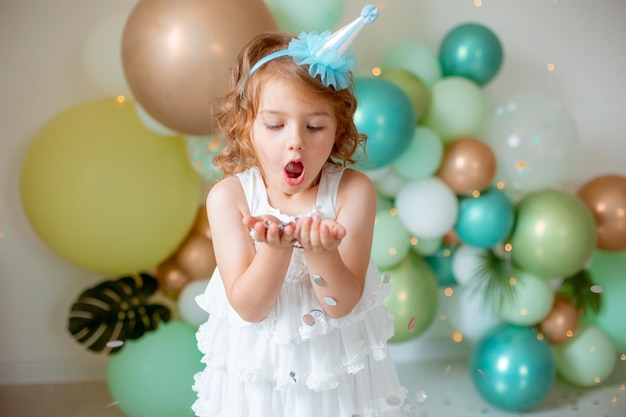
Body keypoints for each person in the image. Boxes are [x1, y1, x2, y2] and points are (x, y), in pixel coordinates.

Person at [192, 6, 407, 417]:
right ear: (246, 128)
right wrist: (274, 251)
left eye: (314, 127)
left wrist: (320, 251)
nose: (296, 143)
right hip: (258, 378)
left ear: (339, 131)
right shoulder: (229, 198)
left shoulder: (352, 192)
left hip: (331, 375)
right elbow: (250, 309)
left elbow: (340, 305)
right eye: (275, 125)